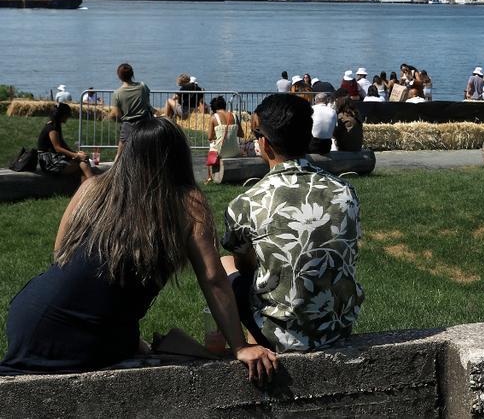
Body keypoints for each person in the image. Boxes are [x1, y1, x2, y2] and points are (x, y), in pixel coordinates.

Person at [1, 117, 278, 379]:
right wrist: (240, 346)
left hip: (31, 312)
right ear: (177, 158)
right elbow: (213, 279)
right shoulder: (187, 203)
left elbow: (60, 254)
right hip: (83, 332)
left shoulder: (92, 187)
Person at [222, 94, 363, 352]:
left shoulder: (247, 203)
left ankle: (248, 347)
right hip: (336, 327)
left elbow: (244, 266)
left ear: (264, 144)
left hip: (281, 335)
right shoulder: (345, 192)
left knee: (223, 265)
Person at [37, 103, 95, 181]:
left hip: (55, 157)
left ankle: (89, 188)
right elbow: (58, 148)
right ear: (62, 115)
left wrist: (76, 153)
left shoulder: (56, 125)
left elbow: (63, 145)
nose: (68, 117)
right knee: (82, 163)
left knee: (82, 165)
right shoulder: (52, 128)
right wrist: (76, 156)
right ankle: (94, 184)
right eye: (68, 114)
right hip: (49, 162)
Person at [112, 62, 152, 157]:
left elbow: (116, 114)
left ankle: (116, 169)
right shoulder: (143, 86)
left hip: (128, 127)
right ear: (132, 74)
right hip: (146, 124)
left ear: (119, 76)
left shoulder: (117, 93)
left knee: (119, 156)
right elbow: (147, 103)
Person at [206, 96, 240, 182]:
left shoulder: (214, 117)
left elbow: (210, 137)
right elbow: (241, 134)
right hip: (235, 150)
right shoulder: (234, 116)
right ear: (224, 105)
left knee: (212, 146)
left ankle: (209, 177)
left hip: (221, 151)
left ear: (213, 108)